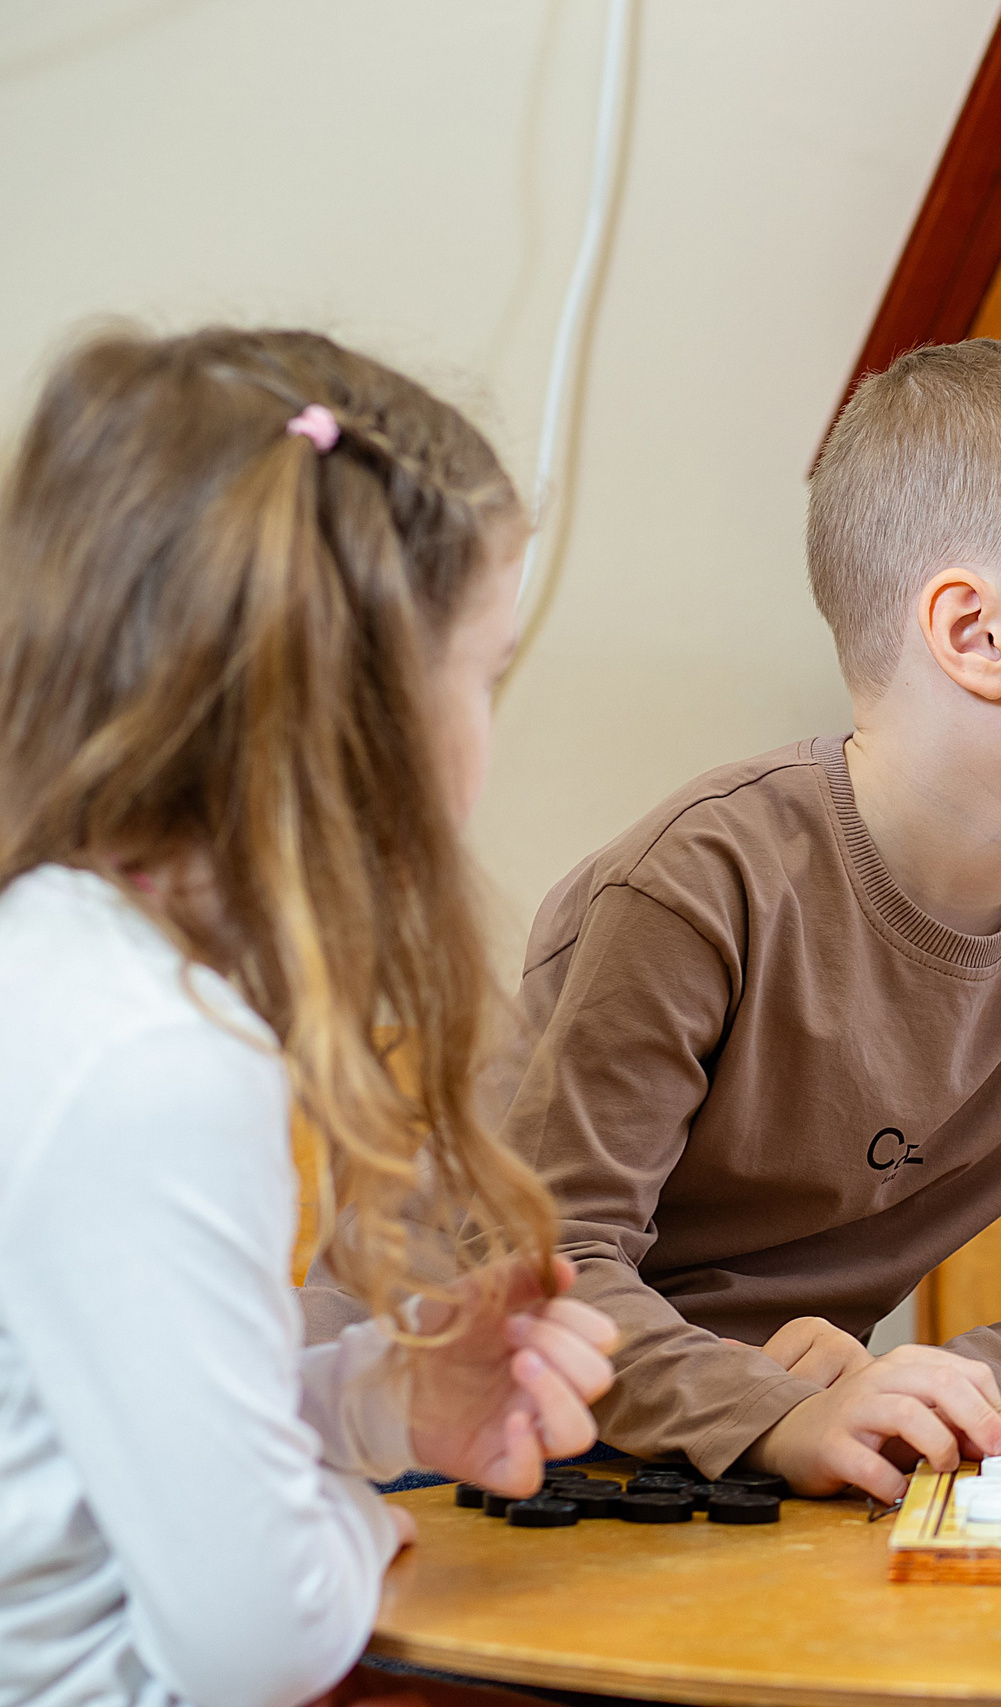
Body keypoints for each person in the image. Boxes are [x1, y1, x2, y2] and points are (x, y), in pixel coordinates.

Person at [324, 339, 1001, 1502]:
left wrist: (925, 1390)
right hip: (416, 1458)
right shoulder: (693, 886)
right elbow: (541, 1275)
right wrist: (783, 1412)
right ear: (972, 635)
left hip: (723, 1475)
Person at [0, 327, 616, 1707]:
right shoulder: (156, 1057)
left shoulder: (77, 973)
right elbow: (258, 1636)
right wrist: (360, 1513)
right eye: (486, 671)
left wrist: (386, 1398)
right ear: (369, 716)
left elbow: (108, 1426)